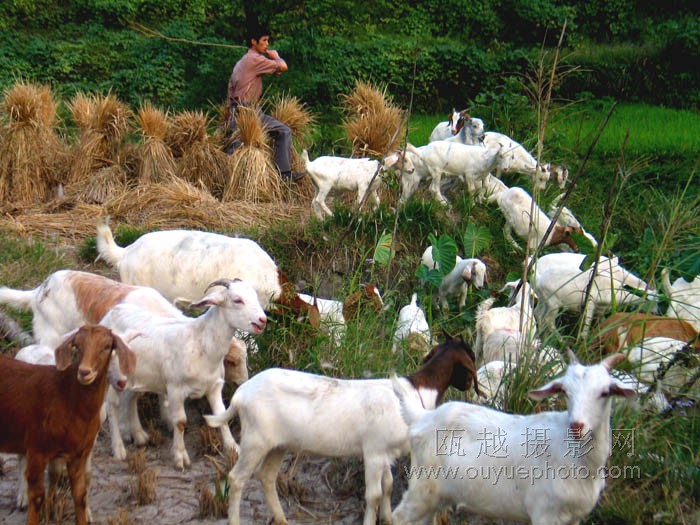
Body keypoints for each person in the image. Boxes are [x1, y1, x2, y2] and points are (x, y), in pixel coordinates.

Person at [227, 27, 304, 182]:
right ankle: (284, 175)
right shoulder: (255, 60)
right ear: (253, 42)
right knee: (284, 131)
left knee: (235, 147)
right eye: (264, 40)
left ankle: (228, 181)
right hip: (249, 110)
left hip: (235, 110)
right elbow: (283, 67)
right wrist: (276, 56)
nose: (267, 44)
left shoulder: (242, 62)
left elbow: (230, 89)